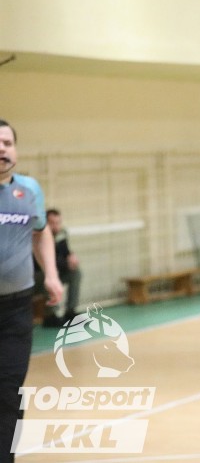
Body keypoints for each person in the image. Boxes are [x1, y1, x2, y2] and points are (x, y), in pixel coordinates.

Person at [0, 120, 63, 461]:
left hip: (16, 309)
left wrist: (50, 273)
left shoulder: (29, 189)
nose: (2, 149)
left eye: (7, 143)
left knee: (10, 388)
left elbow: (41, 232)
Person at [34, 209, 82, 327]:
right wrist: (65, 263)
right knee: (47, 275)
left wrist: (71, 257)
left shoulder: (61, 235)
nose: (55, 226)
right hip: (36, 277)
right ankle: (50, 316)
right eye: (52, 223)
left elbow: (65, 253)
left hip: (56, 272)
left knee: (75, 272)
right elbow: (43, 262)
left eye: (58, 223)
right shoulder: (38, 236)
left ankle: (70, 311)